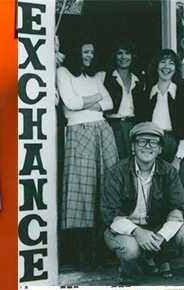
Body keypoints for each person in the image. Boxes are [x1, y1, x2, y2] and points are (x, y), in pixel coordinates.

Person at [101, 122, 184, 285]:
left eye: (153, 142)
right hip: (123, 232)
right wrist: (137, 232)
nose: (147, 147)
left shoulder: (169, 172)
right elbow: (110, 214)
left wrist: (162, 236)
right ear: (133, 146)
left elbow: (178, 209)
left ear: (160, 149)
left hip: (156, 231)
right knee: (130, 248)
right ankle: (131, 276)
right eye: (142, 141)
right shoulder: (117, 172)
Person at [59, 39, 119, 271]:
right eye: (86, 51)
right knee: (81, 193)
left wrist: (84, 103)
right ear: (77, 52)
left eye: (92, 52)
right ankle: (81, 255)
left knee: (105, 190)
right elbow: (71, 104)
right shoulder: (63, 72)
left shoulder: (94, 76)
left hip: (103, 131)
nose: (89, 56)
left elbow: (110, 102)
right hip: (79, 132)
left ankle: (98, 252)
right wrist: (95, 99)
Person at [133, 50, 184, 169]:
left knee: (176, 186)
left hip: (177, 149)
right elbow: (139, 126)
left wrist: (177, 159)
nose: (166, 67)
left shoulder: (183, 94)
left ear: (176, 68)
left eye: (171, 63)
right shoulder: (146, 95)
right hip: (151, 145)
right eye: (162, 62)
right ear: (156, 66)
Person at [103, 42, 140, 160]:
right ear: (114, 56)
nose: (123, 57)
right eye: (120, 53)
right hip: (113, 125)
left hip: (133, 126)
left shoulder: (139, 80)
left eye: (127, 53)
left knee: (133, 161)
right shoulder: (106, 78)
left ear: (132, 56)